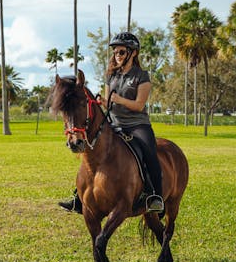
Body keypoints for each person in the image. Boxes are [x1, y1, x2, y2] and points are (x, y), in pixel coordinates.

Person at [58, 32, 164, 213]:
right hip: (113, 123)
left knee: (149, 153)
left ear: (133, 53)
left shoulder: (141, 76)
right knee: (92, 153)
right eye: (115, 52)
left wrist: (119, 100)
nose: (117, 55)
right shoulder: (111, 76)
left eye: (121, 52)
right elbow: (110, 101)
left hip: (137, 125)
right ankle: (79, 196)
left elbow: (139, 105)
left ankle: (155, 196)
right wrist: (104, 102)